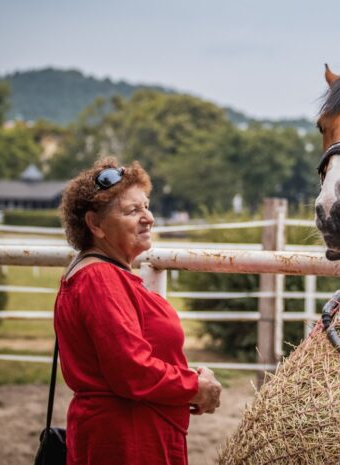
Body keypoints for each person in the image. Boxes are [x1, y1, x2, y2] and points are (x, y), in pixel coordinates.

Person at [55, 157, 222, 465]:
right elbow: (131, 371)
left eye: (146, 206)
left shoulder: (104, 275)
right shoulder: (100, 279)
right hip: (128, 440)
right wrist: (193, 387)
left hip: (132, 432)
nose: (149, 218)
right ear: (95, 224)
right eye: (132, 211)